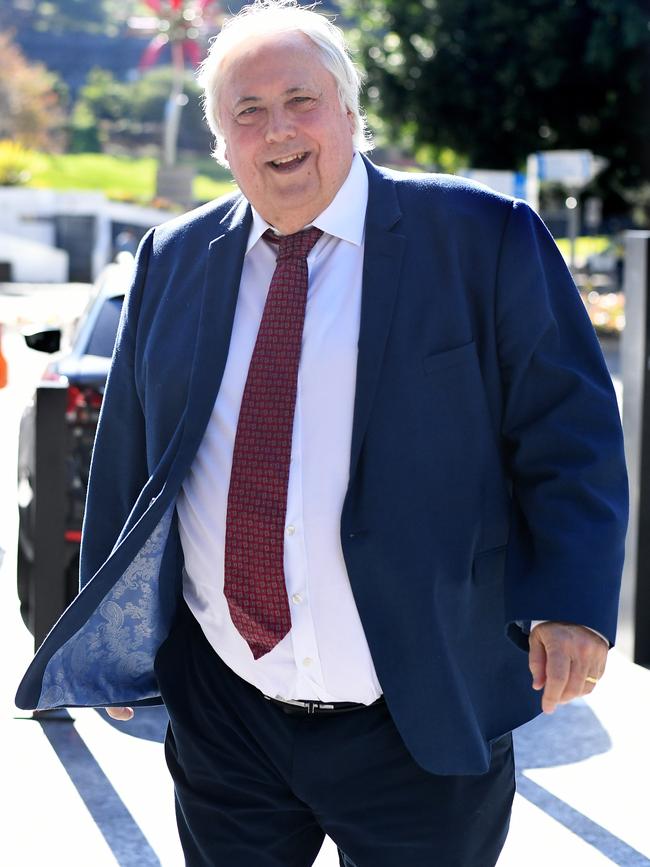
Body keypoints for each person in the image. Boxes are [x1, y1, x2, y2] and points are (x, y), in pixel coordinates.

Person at [16, 2, 627, 865]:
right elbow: (132, 454)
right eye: (247, 112)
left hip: (421, 717)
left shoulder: (483, 240)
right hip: (227, 719)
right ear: (222, 141)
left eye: (300, 100)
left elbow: (570, 436)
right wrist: (118, 637)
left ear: (348, 110)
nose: (278, 131)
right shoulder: (172, 258)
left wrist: (571, 603)